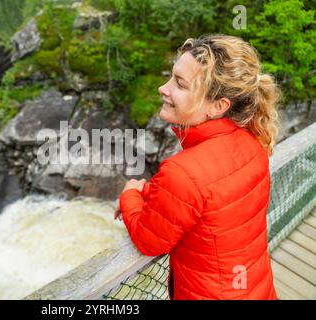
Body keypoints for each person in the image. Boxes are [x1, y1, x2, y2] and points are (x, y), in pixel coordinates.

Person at [114, 34, 281, 300]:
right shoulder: (254, 143)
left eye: (179, 84)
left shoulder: (182, 172)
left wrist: (130, 195)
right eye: (171, 77)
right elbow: (212, 203)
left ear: (218, 106)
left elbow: (149, 240)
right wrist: (152, 192)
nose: (163, 88)